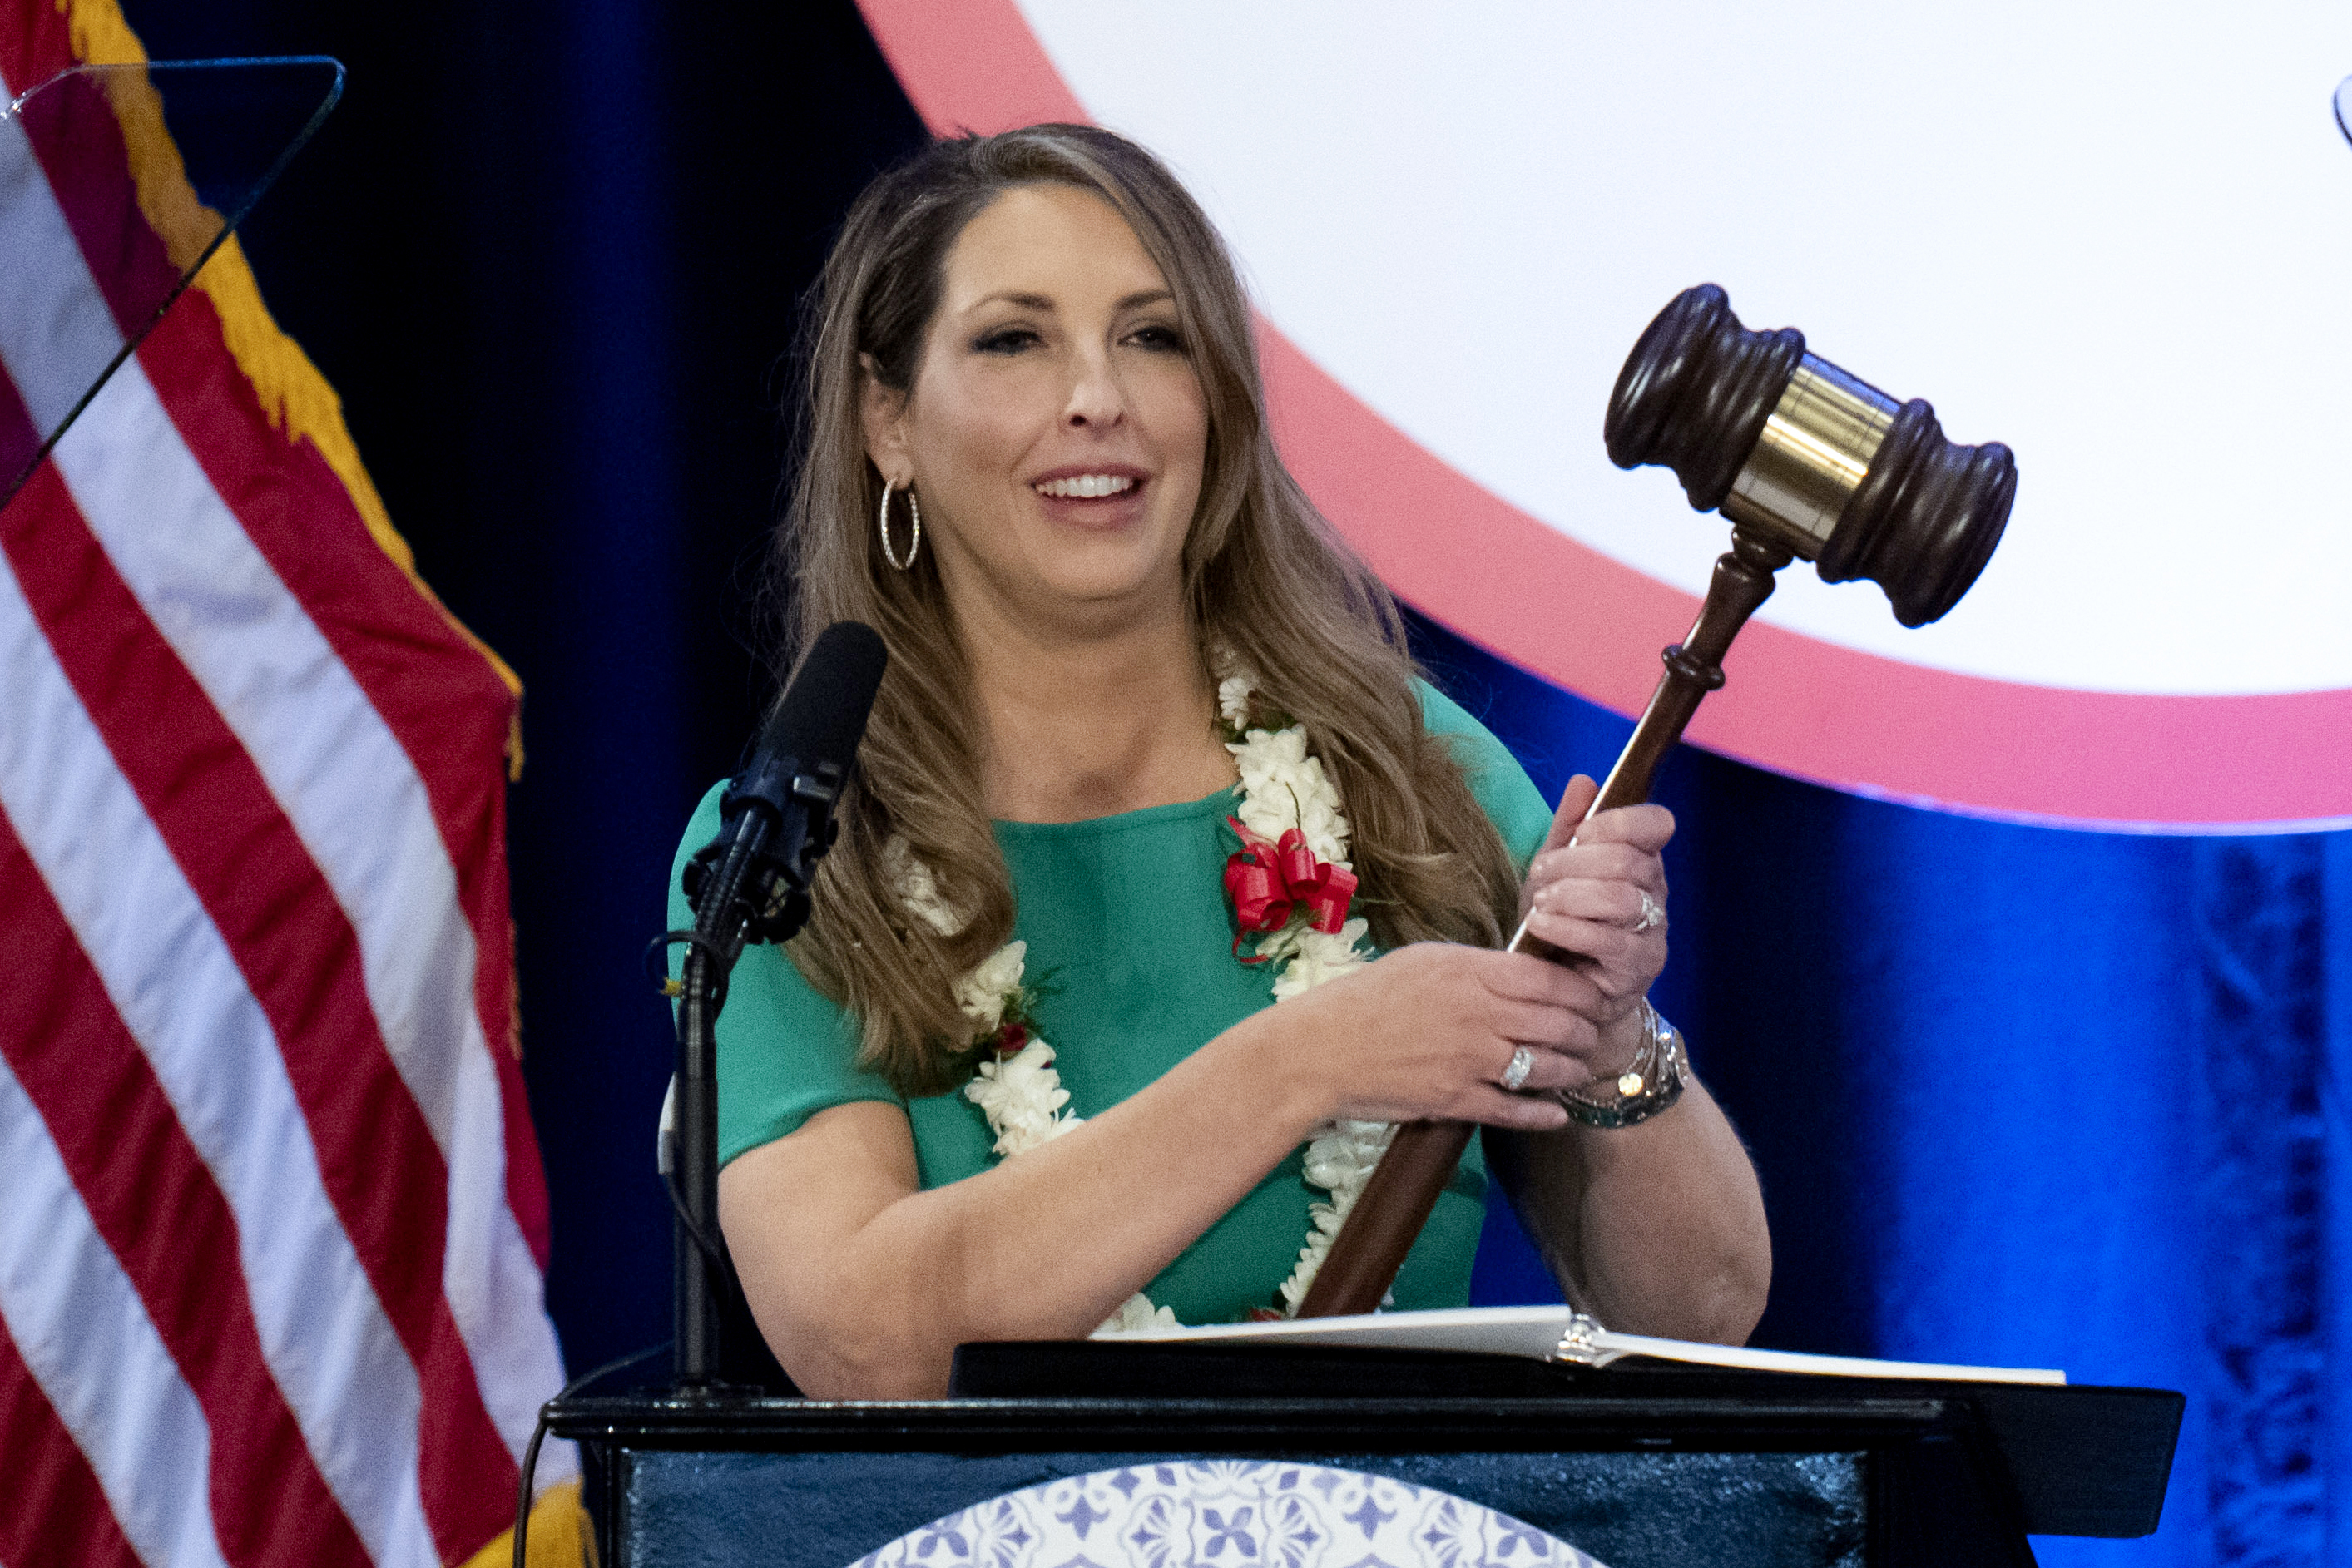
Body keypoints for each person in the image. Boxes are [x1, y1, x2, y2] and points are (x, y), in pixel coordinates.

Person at [673, 124, 1770, 1401]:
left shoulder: (1410, 775)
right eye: (1014, 340)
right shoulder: (788, 854)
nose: (1102, 398)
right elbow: (861, 1342)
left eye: (1154, 336)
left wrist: (1613, 1034)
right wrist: (1310, 1060)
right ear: (888, 420)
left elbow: (1703, 1308)